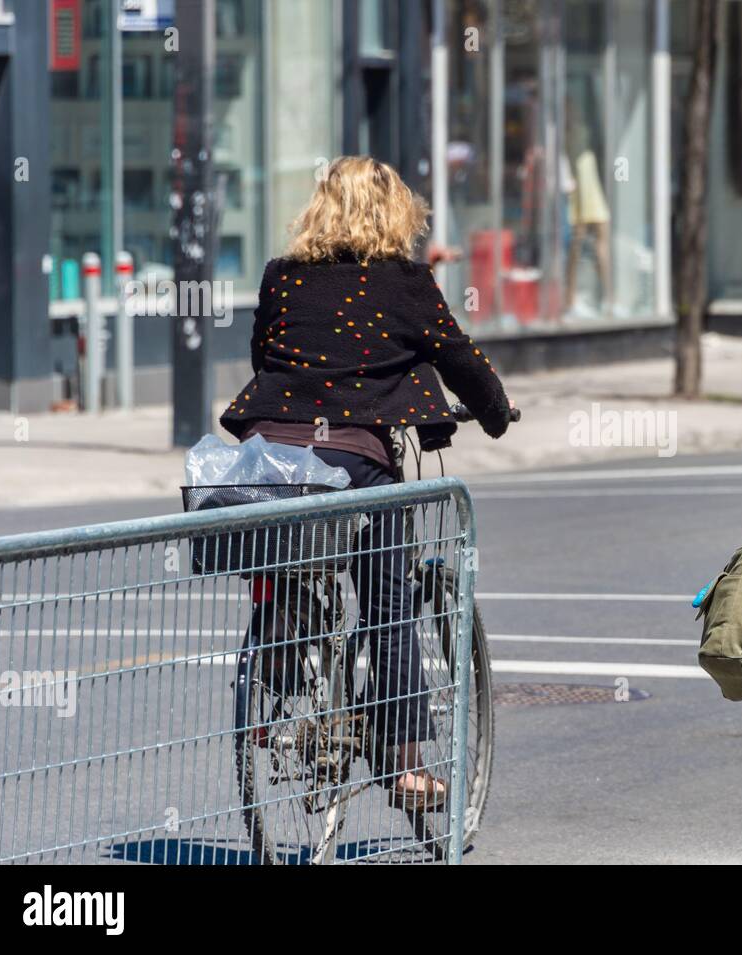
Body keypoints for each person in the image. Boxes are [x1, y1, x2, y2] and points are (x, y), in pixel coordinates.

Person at [220, 155, 513, 809]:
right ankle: (407, 762)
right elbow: (459, 355)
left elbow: (264, 356)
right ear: (394, 214)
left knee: (287, 554)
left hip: (268, 457)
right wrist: (495, 413)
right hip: (355, 459)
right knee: (387, 599)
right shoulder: (403, 282)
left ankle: (281, 649)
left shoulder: (280, 275)